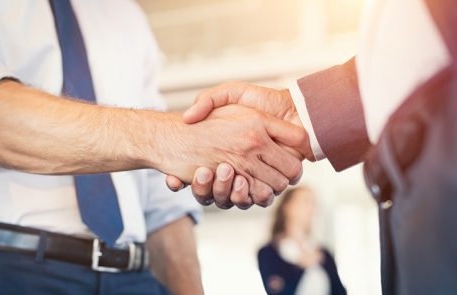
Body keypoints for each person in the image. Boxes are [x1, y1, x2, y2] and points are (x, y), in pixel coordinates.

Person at [0, 1, 307, 295]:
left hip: (133, 276)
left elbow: (159, 199)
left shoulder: (123, 13)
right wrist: (171, 138)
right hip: (0, 270)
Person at [168, 0, 457, 294]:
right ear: (288, 209)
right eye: (307, 203)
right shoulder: (272, 252)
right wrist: (295, 112)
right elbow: (413, 49)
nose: (312, 210)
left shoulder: (323, 253)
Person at [257, 187, 345, 295]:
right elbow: (277, 292)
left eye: (314, 203)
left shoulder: (324, 254)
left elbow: (340, 292)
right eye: (306, 201)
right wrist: (302, 267)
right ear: (287, 207)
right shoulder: (268, 253)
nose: (312, 208)